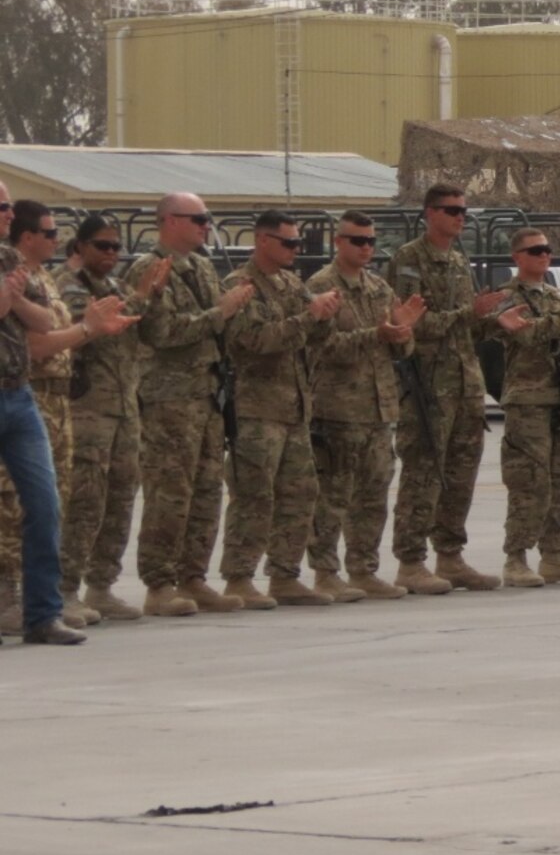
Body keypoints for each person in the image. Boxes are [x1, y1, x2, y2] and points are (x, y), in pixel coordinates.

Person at [132, 192, 256, 616]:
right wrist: (218, 313)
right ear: (168, 221)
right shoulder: (150, 269)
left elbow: (215, 328)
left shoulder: (203, 266)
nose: (206, 225)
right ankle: (159, 583)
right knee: (170, 493)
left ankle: (193, 576)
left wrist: (229, 311)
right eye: (197, 218)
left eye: (208, 218)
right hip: (170, 399)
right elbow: (160, 332)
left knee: (206, 490)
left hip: (206, 397)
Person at [214, 212, 340, 607]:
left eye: (297, 243)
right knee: (254, 495)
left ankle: (284, 574)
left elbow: (313, 337)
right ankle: (239, 576)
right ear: (263, 241)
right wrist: (309, 316)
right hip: (256, 409)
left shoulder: (290, 284)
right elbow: (254, 340)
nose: (294, 250)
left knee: (301, 492)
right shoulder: (241, 286)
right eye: (288, 243)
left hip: (294, 407)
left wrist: (322, 317)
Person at [389, 183, 509, 593]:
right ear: (430, 213)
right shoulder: (409, 260)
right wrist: (467, 313)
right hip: (429, 384)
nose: (460, 217)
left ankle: (450, 555)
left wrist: (491, 318)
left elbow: (465, 324)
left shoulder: (459, 260)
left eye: (463, 211)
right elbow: (415, 323)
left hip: (464, 381)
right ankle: (410, 560)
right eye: (452, 210)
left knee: (461, 472)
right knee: (423, 472)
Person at [305, 211, 423, 599]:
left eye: (371, 241)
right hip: (338, 409)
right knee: (333, 495)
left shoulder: (378, 288)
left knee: (373, 494)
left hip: (379, 407)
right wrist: (378, 334)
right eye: (358, 240)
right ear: (339, 242)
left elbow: (403, 347)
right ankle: (325, 571)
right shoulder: (322, 287)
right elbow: (322, 346)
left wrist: (403, 331)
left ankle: (363, 568)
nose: (366, 247)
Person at [492, 226, 560, 587]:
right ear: (517, 258)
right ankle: (516, 556)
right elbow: (529, 334)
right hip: (528, 400)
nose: (543, 255)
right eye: (535, 250)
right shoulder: (507, 297)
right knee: (530, 482)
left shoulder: (555, 295)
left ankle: (554, 555)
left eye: (547, 250)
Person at [57, 216, 151, 620]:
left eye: (116, 248)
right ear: (79, 247)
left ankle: (101, 585)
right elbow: (83, 324)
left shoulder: (115, 286)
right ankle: (64, 588)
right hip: (88, 411)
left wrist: (143, 296)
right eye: (102, 246)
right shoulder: (68, 284)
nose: (111, 254)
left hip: (124, 409)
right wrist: (138, 298)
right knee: (85, 502)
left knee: (120, 498)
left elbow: (134, 323)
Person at [0, 242, 89, 643]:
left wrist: (14, 298)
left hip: (18, 394)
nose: (7, 215)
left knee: (44, 502)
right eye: (1, 208)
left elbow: (43, 321)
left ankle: (43, 615)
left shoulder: (9, 259)